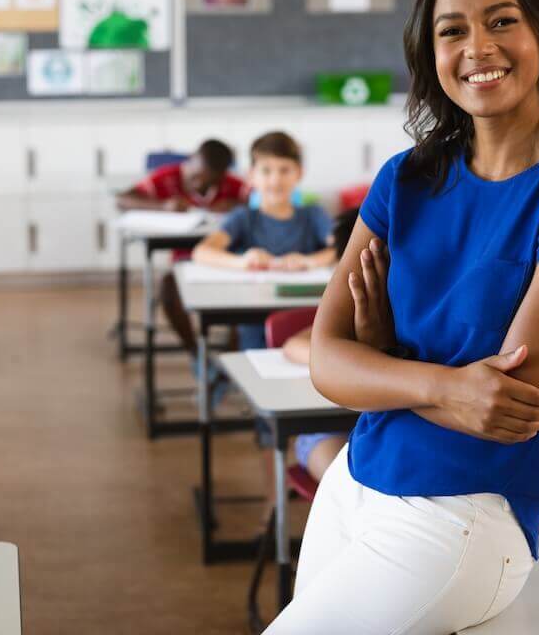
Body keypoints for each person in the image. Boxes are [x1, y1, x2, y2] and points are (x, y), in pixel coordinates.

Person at [264, 0, 539, 634]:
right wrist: (441, 385)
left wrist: (385, 366)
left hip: (464, 517)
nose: (477, 48)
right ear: (430, 53)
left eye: (501, 22)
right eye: (452, 30)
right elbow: (325, 360)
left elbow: (509, 407)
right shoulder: (404, 179)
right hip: (354, 480)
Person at [192, 131, 337, 352]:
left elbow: (341, 247)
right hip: (254, 323)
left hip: (307, 319)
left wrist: (310, 261)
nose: (275, 179)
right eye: (266, 170)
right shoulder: (244, 218)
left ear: (299, 173)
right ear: (251, 175)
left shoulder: (313, 214)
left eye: (285, 170)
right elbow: (202, 252)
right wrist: (244, 261)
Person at [117, 140, 248, 355]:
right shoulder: (169, 176)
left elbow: (262, 200)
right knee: (168, 289)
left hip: (225, 261)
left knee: (243, 296)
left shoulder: (232, 185)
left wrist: (236, 206)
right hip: (185, 263)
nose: (196, 183)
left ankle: (228, 361)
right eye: (193, 175)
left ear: (221, 176)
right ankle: (195, 352)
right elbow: (122, 199)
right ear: (190, 161)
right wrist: (162, 206)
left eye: (205, 180)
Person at [278, 208, 358, 481]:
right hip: (330, 430)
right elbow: (293, 345)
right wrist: (348, 360)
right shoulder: (347, 307)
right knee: (344, 483)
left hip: (396, 427)